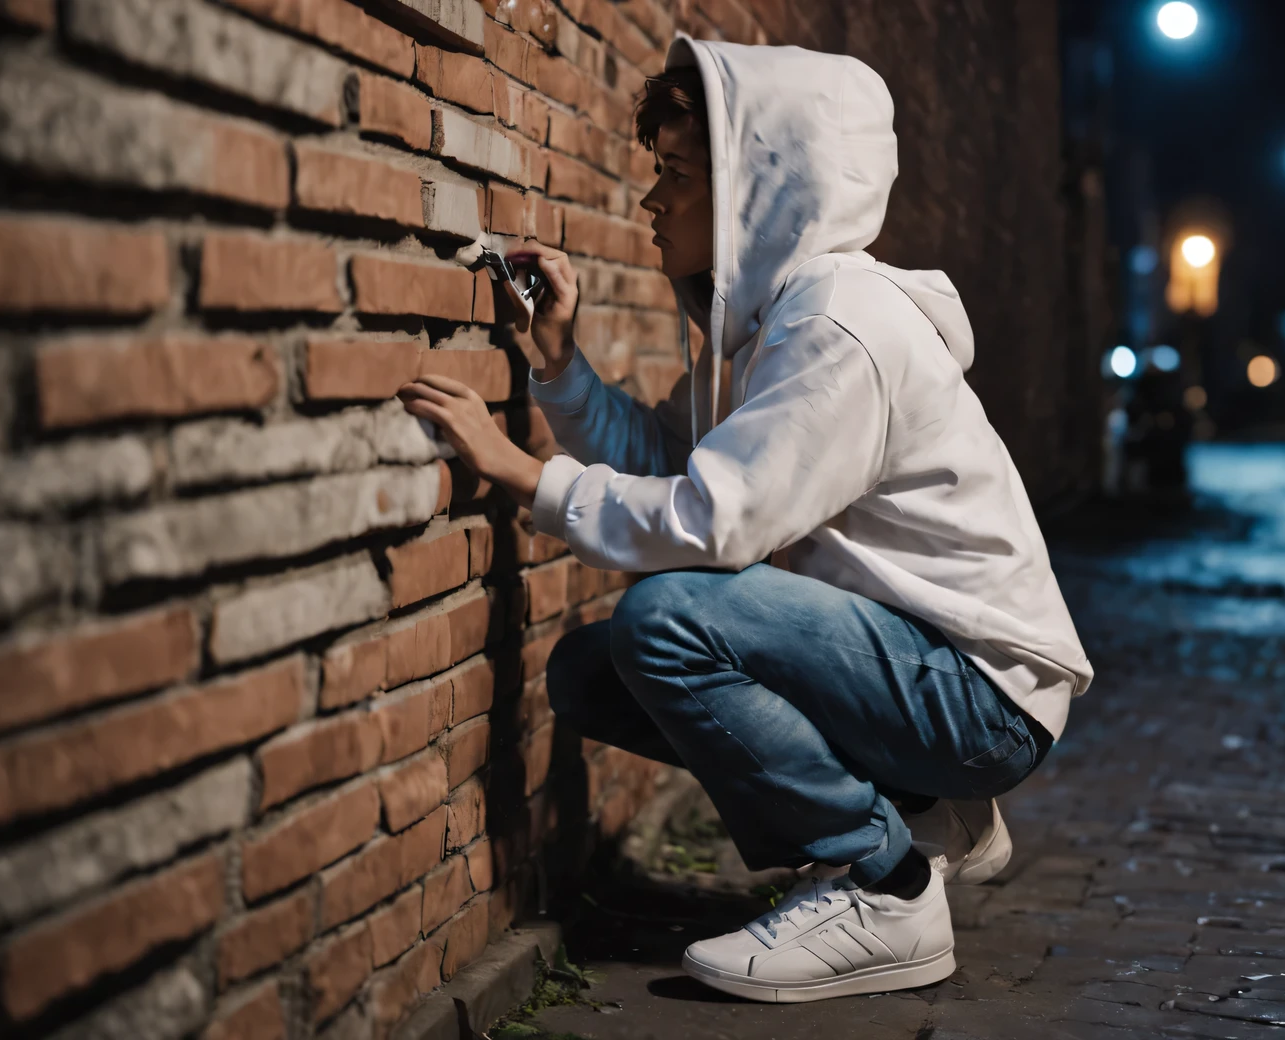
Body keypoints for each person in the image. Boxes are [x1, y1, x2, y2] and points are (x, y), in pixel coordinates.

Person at [399, 35, 1092, 1004]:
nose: (652, 199)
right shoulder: (773, 320)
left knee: (666, 616)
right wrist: (556, 361)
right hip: (909, 665)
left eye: (675, 174)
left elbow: (710, 524)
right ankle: (917, 811)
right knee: (591, 674)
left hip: (975, 693)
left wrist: (521, 471)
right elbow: (675, 468)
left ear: (760, 189)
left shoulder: (834, 326)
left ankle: (881, 886)